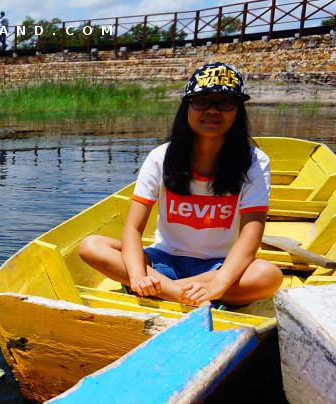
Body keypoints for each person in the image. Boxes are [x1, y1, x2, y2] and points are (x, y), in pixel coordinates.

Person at [78, 62, 282, 308]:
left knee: (268, 276)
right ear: (187, 107)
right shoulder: (160, 157)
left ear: (238, 110)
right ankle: (183, 294)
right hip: (163, 261)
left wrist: (220, 281)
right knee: (92, 246)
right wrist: (137, 275)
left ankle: (164, 290)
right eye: (202, 101)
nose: (213, 110)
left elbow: (251, 236)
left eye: (225, 102)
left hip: (216, 266)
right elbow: (133, 229)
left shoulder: (254, 161)